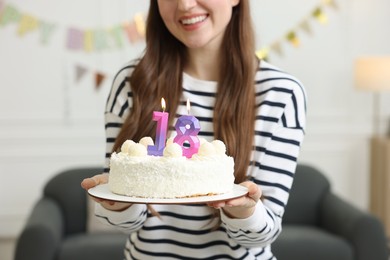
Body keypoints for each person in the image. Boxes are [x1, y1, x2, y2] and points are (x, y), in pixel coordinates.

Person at [81, 0, 306, 259]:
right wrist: (117, 203)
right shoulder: (132, 82)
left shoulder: (281, 94)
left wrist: (242, 210)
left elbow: (262, 235)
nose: (185, 5)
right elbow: (122, 223)